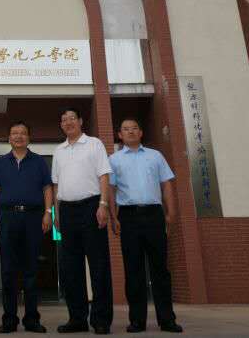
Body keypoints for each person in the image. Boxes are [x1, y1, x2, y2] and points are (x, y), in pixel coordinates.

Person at [108, 118, 183, 334]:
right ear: (120, 135)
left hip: (154, 215)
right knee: (133, 270)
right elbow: (110, 190)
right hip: (128, 216)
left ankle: (167, 319)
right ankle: (137, 320)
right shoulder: (113, 159)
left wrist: (171, 212)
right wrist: (114, 217)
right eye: (125, 129)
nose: (130, 132)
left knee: (160, 268)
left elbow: (166, 184)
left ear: (140, 132)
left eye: (134, 128)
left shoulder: (155, 156)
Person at [52, 108, 113, 334]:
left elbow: (104, 175)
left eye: (72, 118)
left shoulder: (94, 144)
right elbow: (56, 185)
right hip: (66, 211)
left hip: (91, 207)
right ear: (61, 125)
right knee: (71, 267)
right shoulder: (58, 150)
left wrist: (103, 204)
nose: (68, 122)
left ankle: (101, 320)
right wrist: (56, 214)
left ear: (80, 121)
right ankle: (77, 319)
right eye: (64, 120)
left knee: (98, 265)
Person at [0, 121, 53, 334]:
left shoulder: (39, 161)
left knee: (31, 270)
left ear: (28, 137)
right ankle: (9, 319)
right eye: (14, 133)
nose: (18, 136)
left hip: (33, 218)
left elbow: (47, 188)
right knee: (8, 271)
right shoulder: (0, 163)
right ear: (9, 138)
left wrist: (48, 213)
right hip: (7, 218)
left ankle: (32, 319)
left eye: (22, 133)